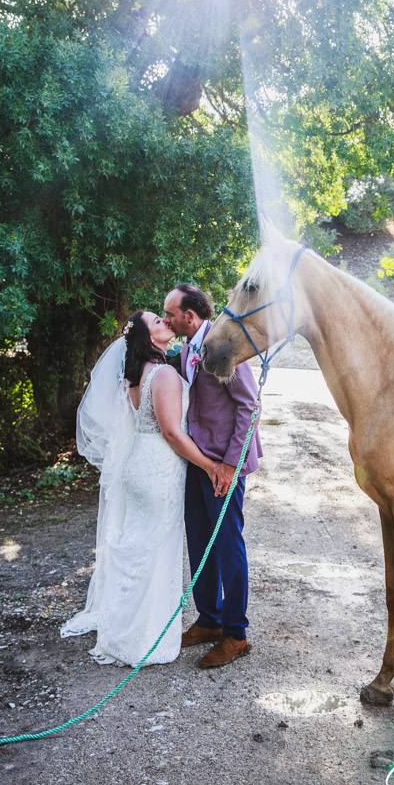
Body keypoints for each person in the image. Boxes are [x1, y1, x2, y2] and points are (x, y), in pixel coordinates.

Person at [60, 311, 218, 667]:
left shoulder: (135, 377)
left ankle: (124, 633)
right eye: (158, 322)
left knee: (138, 546)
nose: (167, 322)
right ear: (148, 338)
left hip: (139, 463)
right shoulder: (163, 375)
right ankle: (146, 640)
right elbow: (172, 432)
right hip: (158, 468)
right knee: (156, 550)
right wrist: (209, 466)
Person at [163, 283, 262, 668]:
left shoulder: (224, 344)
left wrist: (229, 465)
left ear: (190, 316)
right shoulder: (187, 347)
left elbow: (249, 406)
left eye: (171, 313)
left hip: (223, 465)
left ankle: (235, 634)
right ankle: (209, 619)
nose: (167, 319)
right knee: (200, 540)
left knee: (227, 544)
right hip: (196, 460)